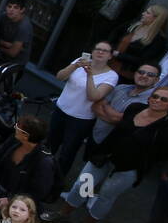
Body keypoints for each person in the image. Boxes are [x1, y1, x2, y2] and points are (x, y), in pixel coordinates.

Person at [45, 85, 168, 223]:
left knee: (105, 197)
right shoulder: (135, 107)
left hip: (127, 169)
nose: (157, 100)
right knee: (82, 186)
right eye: (155, 96)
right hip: (104, 158)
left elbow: (160, 155)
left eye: (163, 99)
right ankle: (63, 213)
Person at [46, 41, 120, 175]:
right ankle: (40, 173)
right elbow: (60, 77)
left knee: (67, 153)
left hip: (80, 120)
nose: (100, 52)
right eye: (97, 49)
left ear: (110, 56)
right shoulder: (80, 62)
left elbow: (94, 96)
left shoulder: (112, 76)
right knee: (49, 145)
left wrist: (89, 75)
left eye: (105, 50)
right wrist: (74, 66)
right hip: (61, 110)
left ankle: (56, 183)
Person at [0, 115, 59, 209]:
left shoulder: (44, 163)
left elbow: (37, 193)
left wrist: (10, 199)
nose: (15, 127)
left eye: (17, 127)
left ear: (26, 136)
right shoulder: (15, 140)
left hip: (18, 204)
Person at [111, 4, 168, 81]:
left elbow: (144, 61)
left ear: (156, 19)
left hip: (125, 76)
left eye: (148, 13)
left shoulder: (159, 40)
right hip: (108, 65)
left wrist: (118, 54)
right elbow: (114, 35)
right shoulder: (134, 25)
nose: (143, 13)